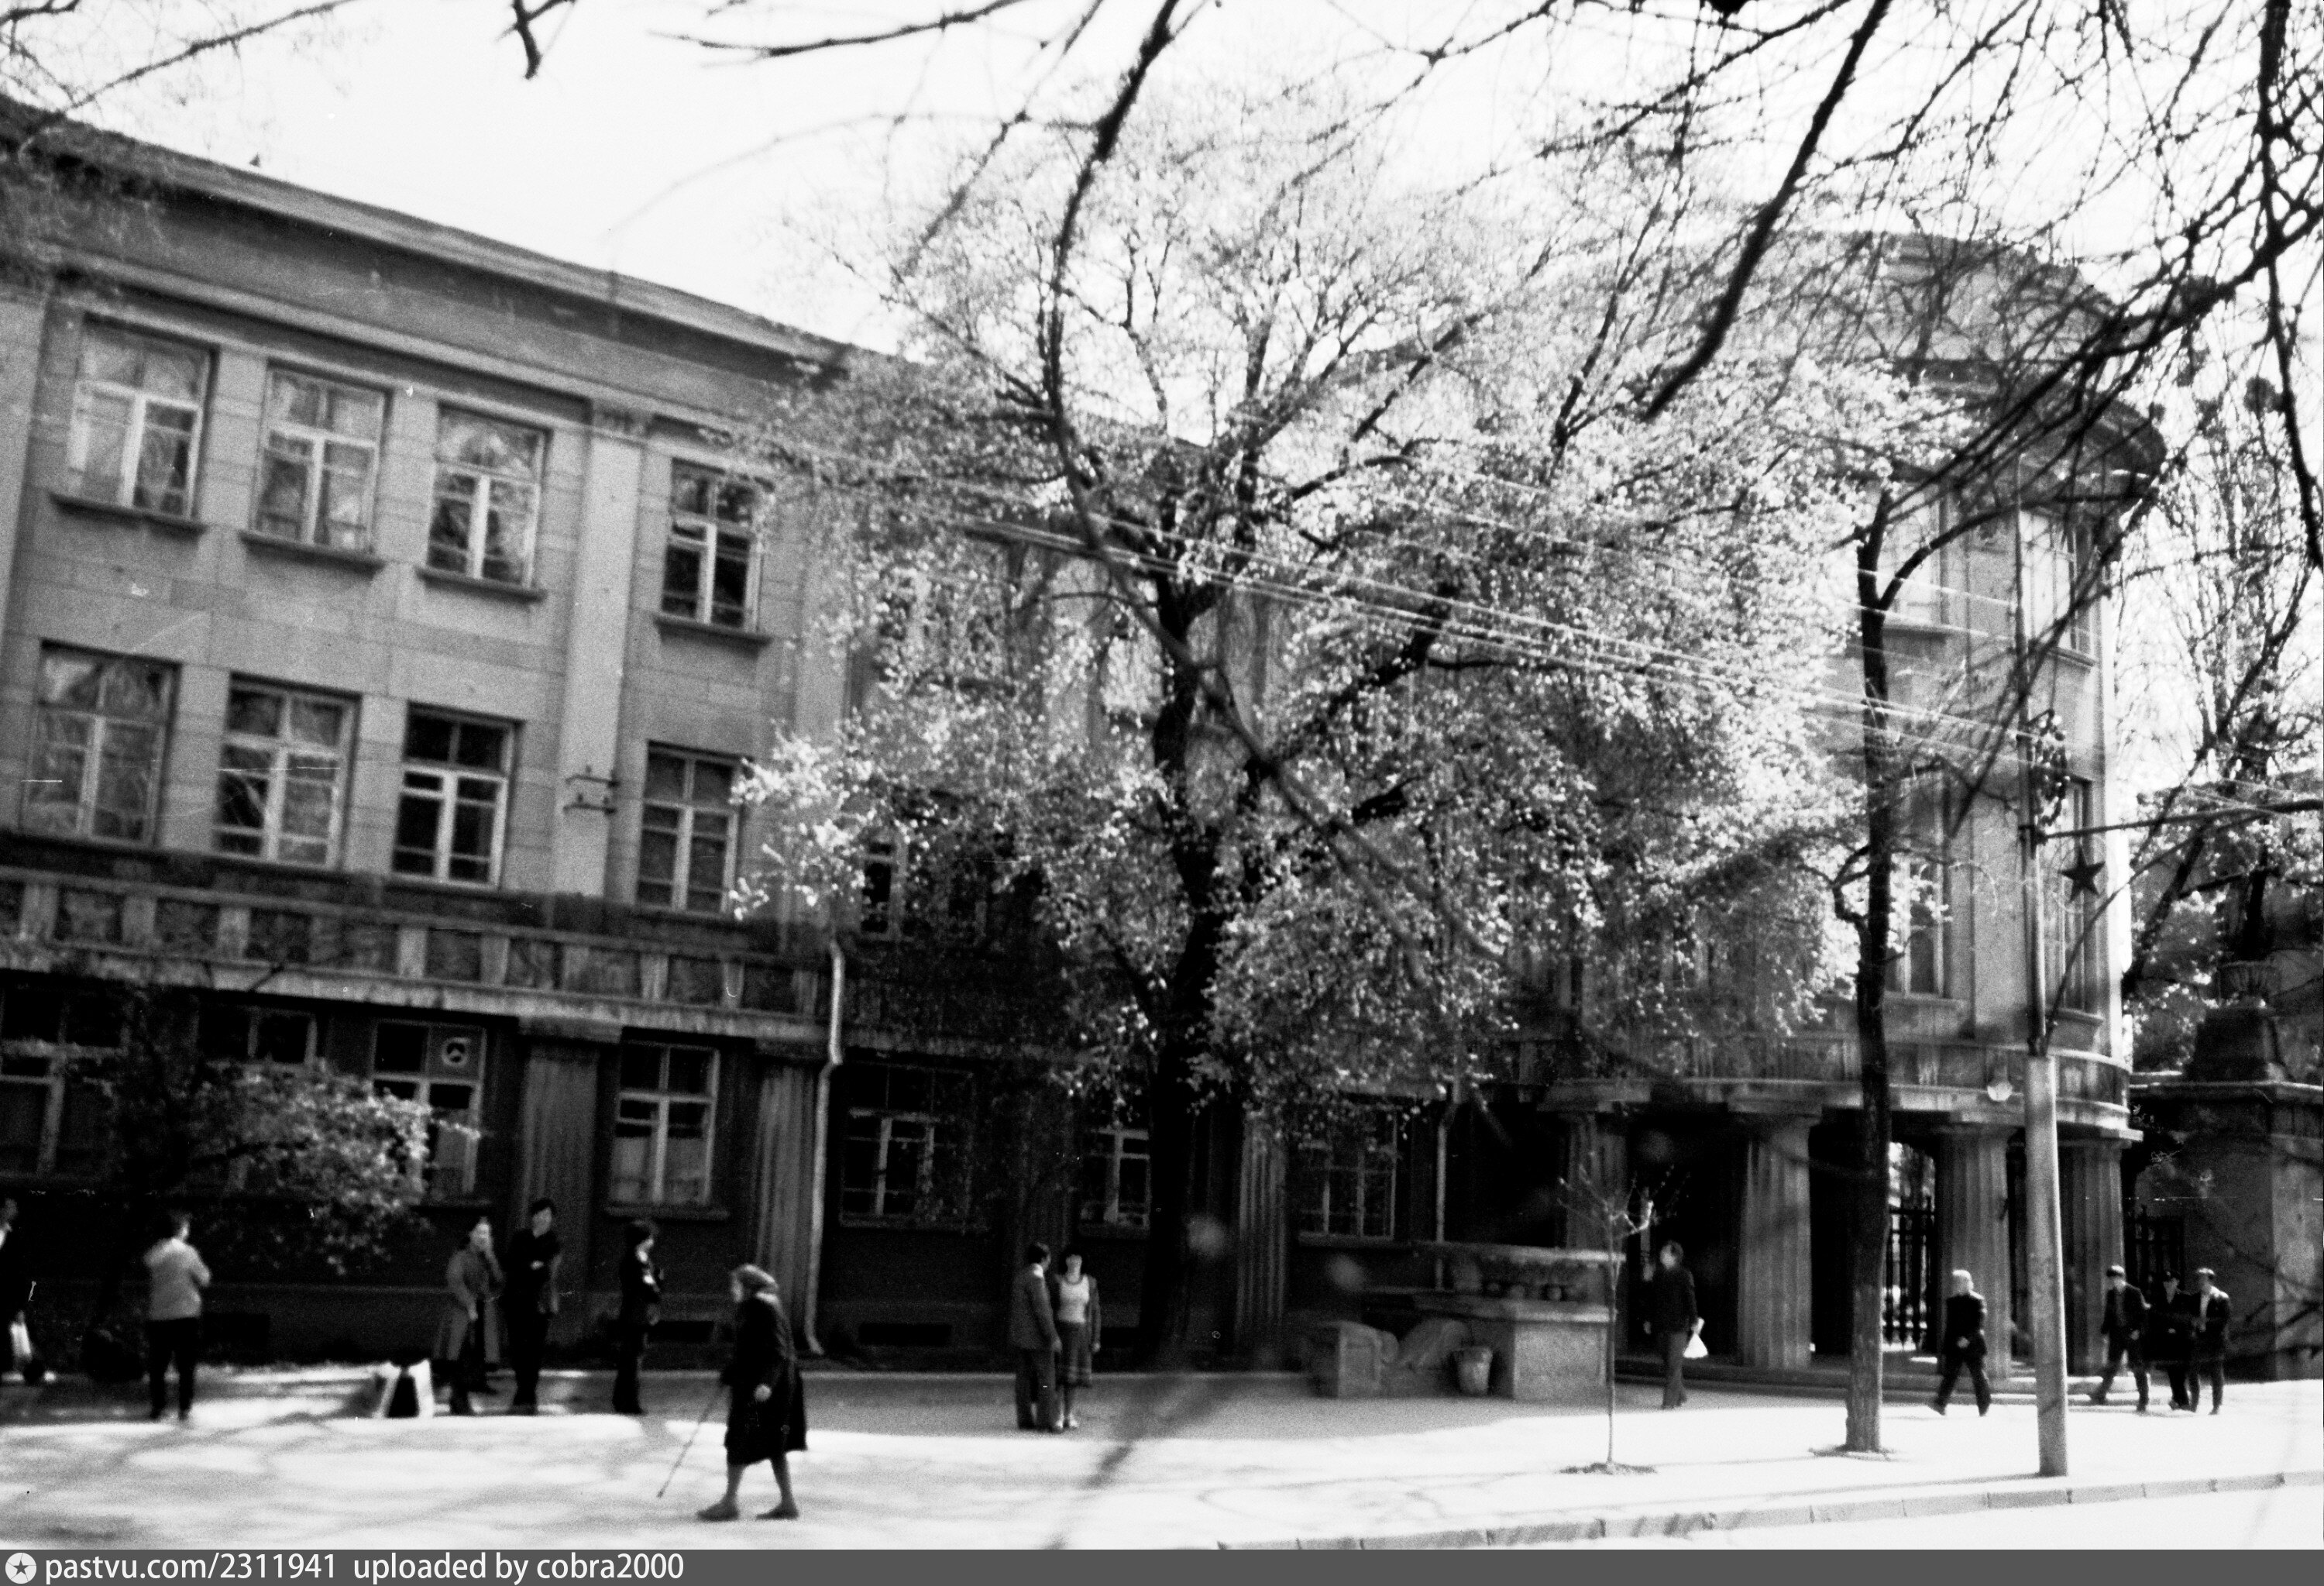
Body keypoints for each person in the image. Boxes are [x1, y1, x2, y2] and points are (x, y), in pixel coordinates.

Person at [697, 1265, 807, 1522]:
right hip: (756, 1385)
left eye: (736, 1284)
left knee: (741, 1436)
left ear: (748, 1287)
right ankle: (787, 1504)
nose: (732, 1289)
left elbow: (778, 1350)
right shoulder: (750, 1307)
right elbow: (747, 1349)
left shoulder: (764, 1307)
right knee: (771, 1442)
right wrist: (729, 1373)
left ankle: (730, 1504)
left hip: (764, 1391)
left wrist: (767, 1383)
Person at [143, 1209, 210, 1421]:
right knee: (186, 1365)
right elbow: (204, 1278)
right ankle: (185, 1408)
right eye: (186, 1227)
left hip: (159, 1314)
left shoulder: (154, 1253)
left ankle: (158, 1407)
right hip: (186, 1314)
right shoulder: (187, 1252)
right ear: (180, 1229)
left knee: (158, 1365)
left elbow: (148, 1265)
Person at [435, 1216, 504, 1416]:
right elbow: (455, 1281)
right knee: (461, 1356)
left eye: (486, 1233)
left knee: (475, 1357)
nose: (483, 1237)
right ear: (471, 1234)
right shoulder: (461, 1256)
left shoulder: (487, 1258)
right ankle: (459, 1400)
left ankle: (462, 1399)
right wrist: (469, 1304)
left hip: (483, 1313)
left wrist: (491, 1258)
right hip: (463, 1313)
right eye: (479, 1232)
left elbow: (499, 1281)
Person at [503, 1198, 562, 1414]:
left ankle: (528, 1396)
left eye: (547, 1215)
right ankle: (523, 1392)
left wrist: (526, 1267)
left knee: (534, 1350)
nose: (543, 1218)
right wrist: (530, 1266)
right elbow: (509, 1264)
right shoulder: (520, 1237)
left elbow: (548, 1272)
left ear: (552, 1219)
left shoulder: (554, 1242)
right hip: (516, 1301)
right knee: (517, 1348)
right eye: (539, 1214)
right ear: (532, 1216)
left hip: (539, 1304)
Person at [1009, 1241, 1063, 1433]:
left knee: (1023, 1379)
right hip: (1038, 1339)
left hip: (1020, 1337)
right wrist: (1053, 1336)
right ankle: (1046, 1420)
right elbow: (1043, 1311)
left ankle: (1024, 1419)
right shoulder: (1037, 1279)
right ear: (1044, 1259)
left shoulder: (1021, 1277)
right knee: (1046, 1378)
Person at [1050, 1247, 1102, 1430]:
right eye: (1070, 1257)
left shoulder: (1090, 1283)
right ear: (1065, 1260)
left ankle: (1069, 1415)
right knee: (1058, 1379)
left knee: (1073, 1379)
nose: (1074, 1260)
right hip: (1061, 1332)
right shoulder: (1057, 1281)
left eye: (1077, 1257)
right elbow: (1050, 1308)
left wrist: (1096, 1338)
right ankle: (1056, 1415)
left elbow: (1095, 1312)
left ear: (1083, 1260)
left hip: (1081, 1334)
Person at [613, 1218, 660, 1416]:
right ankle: (629, 1402)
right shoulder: (636, 1261)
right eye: (649, 1238)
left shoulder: (637, 1259)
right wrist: (655, 1288)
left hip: (635, 1313)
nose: (652, 1241)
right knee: (633, 1360)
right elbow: (648, 1287)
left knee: (629, 1358)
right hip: (636, 1315)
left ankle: (621, 1399)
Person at [1931, 1268, 1990, 1416]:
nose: (1957, 1284)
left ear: (1968, 1282)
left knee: (1978, 1376)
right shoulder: (1951, 1301)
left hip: (1973, 1345)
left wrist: (1967, 1338)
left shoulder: (1978, 1300)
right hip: (1955, 1345)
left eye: (1961, 1281)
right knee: (1950, 1375)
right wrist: (1948, 1345)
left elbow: (1979, 1323)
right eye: (1956, 1281)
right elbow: (1950, 1326)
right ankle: (1940, 1404)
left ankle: (1984, 1407)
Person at [1647, 1241, 1698, 1409]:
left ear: (1675, 1256)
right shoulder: (1658, 1274)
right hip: (1661, 1324)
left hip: (1678, 1326)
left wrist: (1694, 1321)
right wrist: (1649, 1320)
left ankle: (1668, 1402)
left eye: (1665, 1252)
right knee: (1668, 1363)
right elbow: (1652, 1299)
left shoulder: (1684, 1274)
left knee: (1674, 1363)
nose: (1662, 1254)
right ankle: (1681, 1395)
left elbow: (1690, 1299)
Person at [2090, 1263, 2148, 1411]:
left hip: (2132, 1334)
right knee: (2112, 1366)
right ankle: (2101, 1395)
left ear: (2122, 1278)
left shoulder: (2134, 1292)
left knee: (2137, 1367)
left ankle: (2143, 1399)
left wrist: (2138, 1330)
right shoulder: (2111, 1294)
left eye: (2115, 1278)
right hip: (2116, 1334)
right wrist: (2104, 1331)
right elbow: (2108, 1314)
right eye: (2111, 1278)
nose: (2113, 1281)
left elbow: (2142, 1314)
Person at [0, 1196, 41, 1384]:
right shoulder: (12, 1237)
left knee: (8, 1335)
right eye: (11, 1207)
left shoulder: (15, 1237)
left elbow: (19, 1274)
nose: (15, 1210)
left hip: (6, 1298)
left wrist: (20, 1305)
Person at [2190, 1267, 2231, 1414]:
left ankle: (2216, 1405)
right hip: (2199, 1337)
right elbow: (2190, 1315)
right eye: (2198, 1279)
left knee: (2216, 1371)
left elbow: (2225, 1319)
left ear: (2211, 1281)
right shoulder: (2194, 1298)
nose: (2200, 1282)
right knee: (2193, 1369)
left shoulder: (2222, 1298)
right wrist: (2194, 1323)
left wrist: (2206, 1321)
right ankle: (2194, 1403)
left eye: (2203, 1279)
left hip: (2216, 1339)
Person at [2153, 1272, 2195, 1409]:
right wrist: (2165, 1329)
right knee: (2171, 1371)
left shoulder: (2185, 1297)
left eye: (2171, 1281)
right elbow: (2156, 1317)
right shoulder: (2159, 1298)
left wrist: (2176, 1328)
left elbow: (2188, 1318)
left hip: (2182, 1339)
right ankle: (2178, 1400)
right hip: (2166, 1340)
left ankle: (2183, 1401)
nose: (2168, 1284)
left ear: (2177, 1282)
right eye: (2165, 1281)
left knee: (2181, 1372)